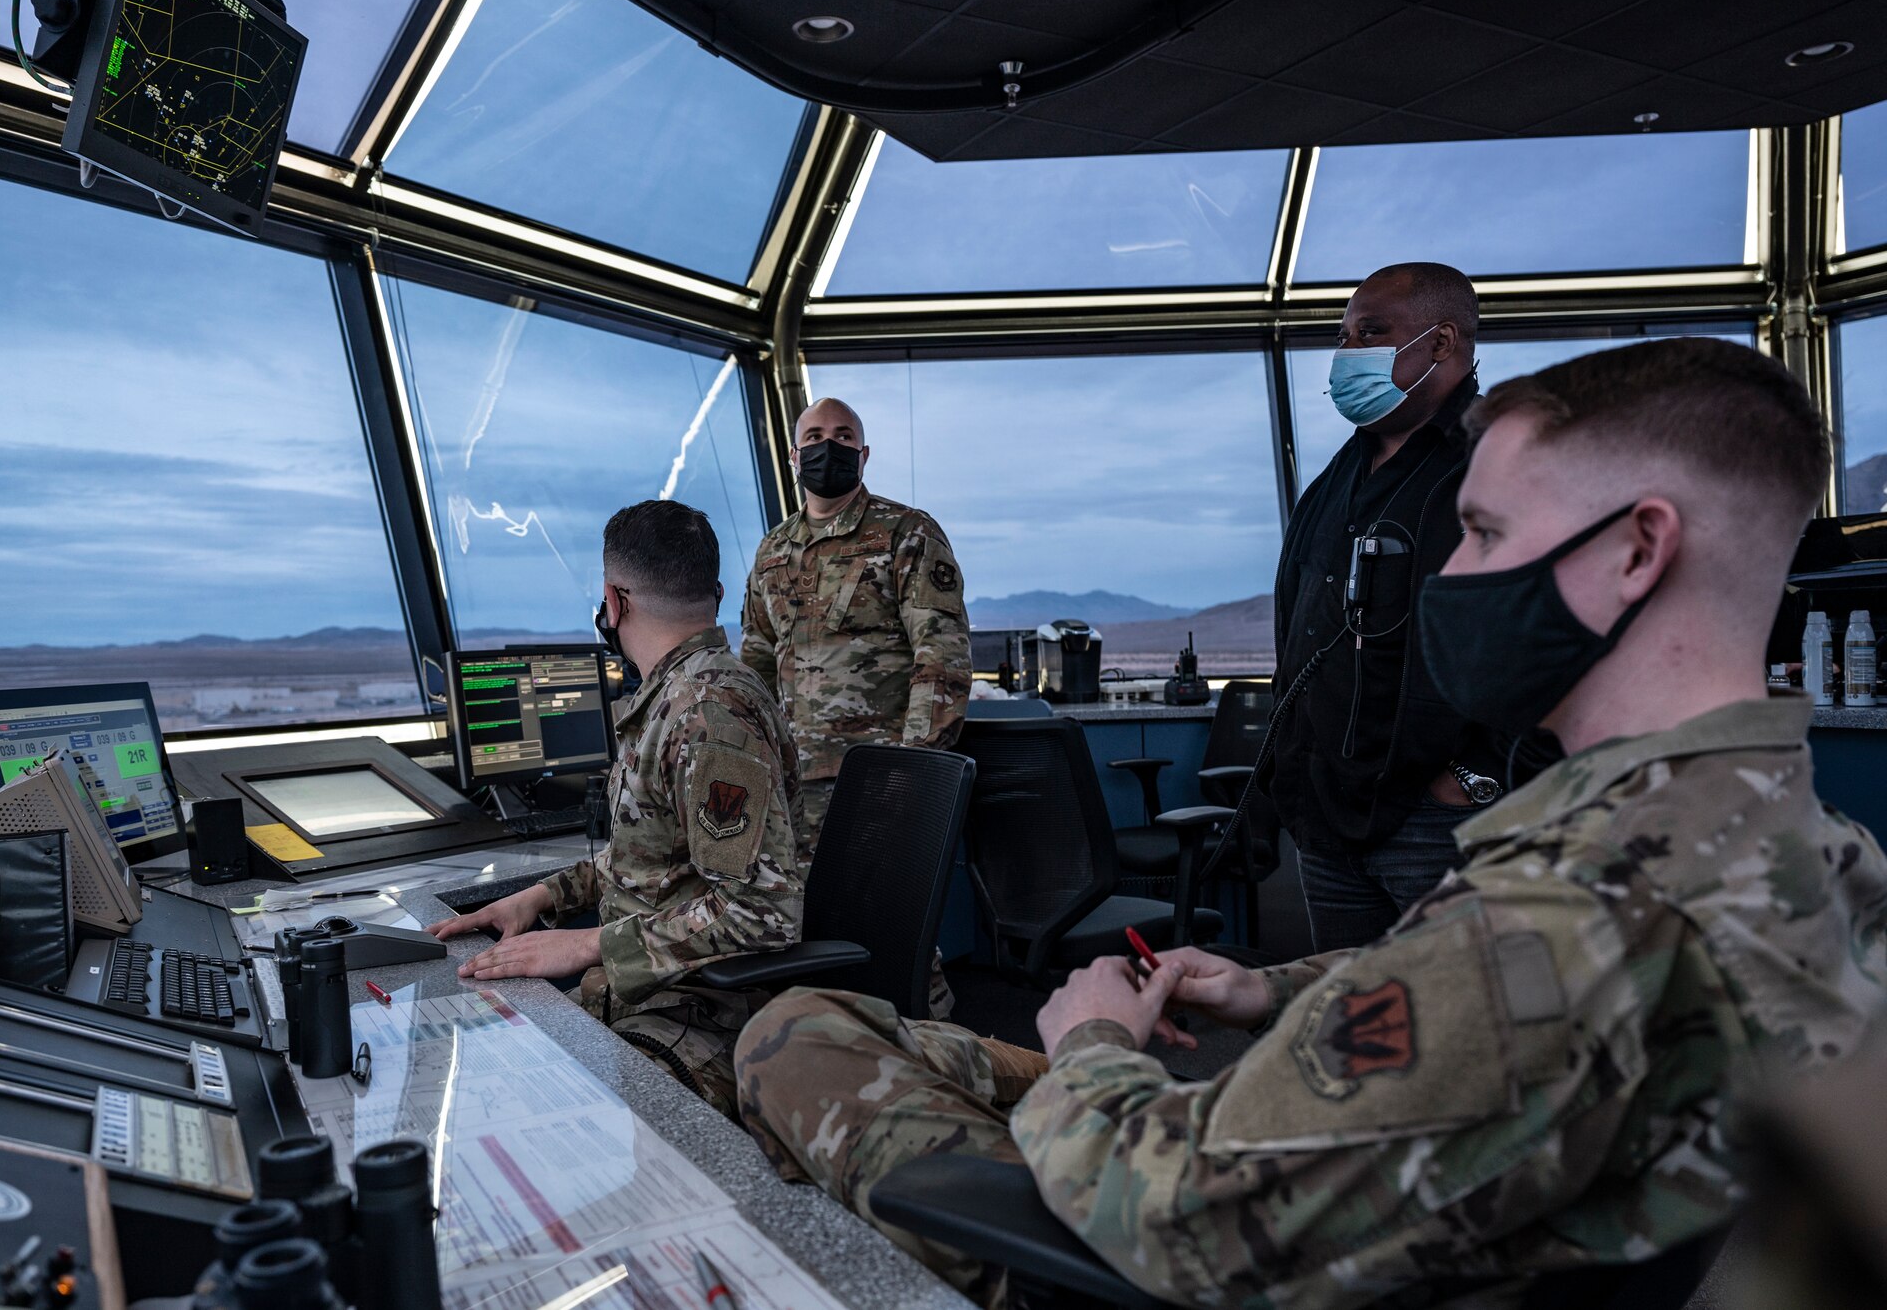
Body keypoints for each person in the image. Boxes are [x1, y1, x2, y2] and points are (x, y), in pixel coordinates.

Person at [731, 338, 1887, 1306]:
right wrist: (1268, 988)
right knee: (868, 1018)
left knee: (786, 1033)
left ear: (1637, 547)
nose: (1448, 577)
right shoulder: (1810, 854)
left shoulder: (1575, 914)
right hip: (1342, 1158)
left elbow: (1171, 1211)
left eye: (1481, 534)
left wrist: (1092, 1042)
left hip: (1171, 1235)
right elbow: (1471, 1004)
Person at [429, 500, 805, 1116]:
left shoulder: (709, 713)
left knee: (518, 1109)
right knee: (482, 1061)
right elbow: (652, 857)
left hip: (693, 1015)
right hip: (639, 992)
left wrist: (586, 945)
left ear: (616, 601)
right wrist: (543, 897)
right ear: (713, 593)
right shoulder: (673, 697)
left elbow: (763, 913)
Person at [1272, 262, 1549, 951]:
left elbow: (1556, 638)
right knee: (1348, 1026)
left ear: (1441, 342)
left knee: (1459, 1029)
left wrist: (1474, 775)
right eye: (1342, 336)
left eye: (1370, 332)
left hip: (1435, 823)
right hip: (1330, 818)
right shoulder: (1338, 479)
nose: (1346, 354)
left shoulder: (1503, 467)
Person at [741, 397, 972, 855]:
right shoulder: (773, 550)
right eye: (815, 438)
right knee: (799, 920)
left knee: (874, 917)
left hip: (878, 776)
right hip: (790, 785)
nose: (829, 447)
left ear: (864, 455)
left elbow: (942, 659)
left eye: (843, 437)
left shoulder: (906, 531)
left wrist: (912, 770)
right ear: (794, 456)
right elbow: (756, 664)